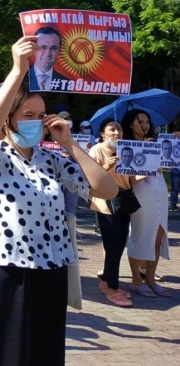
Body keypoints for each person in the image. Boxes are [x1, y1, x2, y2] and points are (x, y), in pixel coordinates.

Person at [0, 36, 116, 366]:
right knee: (3, 357)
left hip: (51, 274)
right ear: (9, 119)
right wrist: (17, 71)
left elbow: (107, 190)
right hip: (6, 273)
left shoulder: (51, 159)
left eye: (42, 114)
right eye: (28, 114)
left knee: (44, 356)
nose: (37, 121)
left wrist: (70, 145)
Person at [122, 109, 171, 298]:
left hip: (159, 192)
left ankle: (150, 279)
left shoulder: (155, 143)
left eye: (147, 121)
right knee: (140, 235)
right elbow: (129, 179)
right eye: (140, 121)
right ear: (130, 124)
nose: (145, 125)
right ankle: (136, 280)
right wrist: (147, 163)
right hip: (141, 194)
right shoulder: (127, 147)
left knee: (157, 238)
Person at [88, 118, 134, 307]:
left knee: (120, 244)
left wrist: (149, 171)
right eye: (112, 129)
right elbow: (90, 178)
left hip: (124, 202)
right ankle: (112, 289)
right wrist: (106, 167)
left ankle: (106, 281)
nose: (117, 133)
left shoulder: (125, 150)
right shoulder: (97, 150)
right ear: (102, 133)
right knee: (112, 246)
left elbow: (129, 180)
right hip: (105, 203)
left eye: (119, 129)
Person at [28, 27, 68, 91]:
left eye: (53, 48)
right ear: (34, 49)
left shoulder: (67, 83)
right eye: (43, 47)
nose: (48, 53)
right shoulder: (21, 79)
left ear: (59, 51)